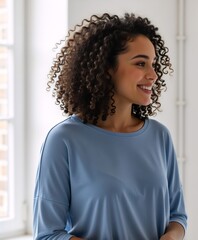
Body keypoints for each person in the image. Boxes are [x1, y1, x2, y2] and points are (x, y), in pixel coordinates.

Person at [33, 13, 187, 240]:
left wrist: (171, 237)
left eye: (153, 64)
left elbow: (177, 215)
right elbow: (48, 235)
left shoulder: (159, 136)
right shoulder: (63, 140)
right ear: (107, 68)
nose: (153, 75)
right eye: (141, 63)